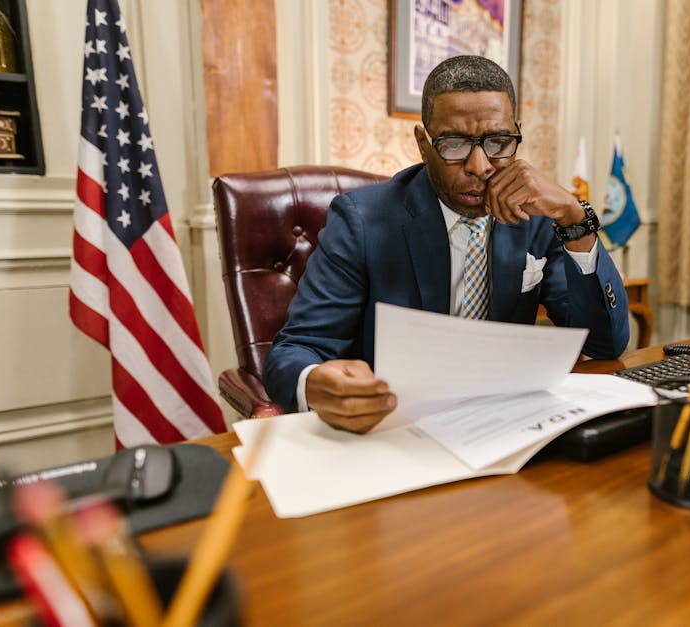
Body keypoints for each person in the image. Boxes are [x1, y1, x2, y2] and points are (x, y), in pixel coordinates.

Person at [264, 55, 630, 433]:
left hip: (504, 427)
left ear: (515, 134)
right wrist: (316, 383)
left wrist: (574, 218)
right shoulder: (362, 221)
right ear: (424, 144)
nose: (480, 166)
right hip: (395, 429)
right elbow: (294, 351)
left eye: (498, 142)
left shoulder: (537, 217)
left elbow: (606, 344)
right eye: (454, 144)